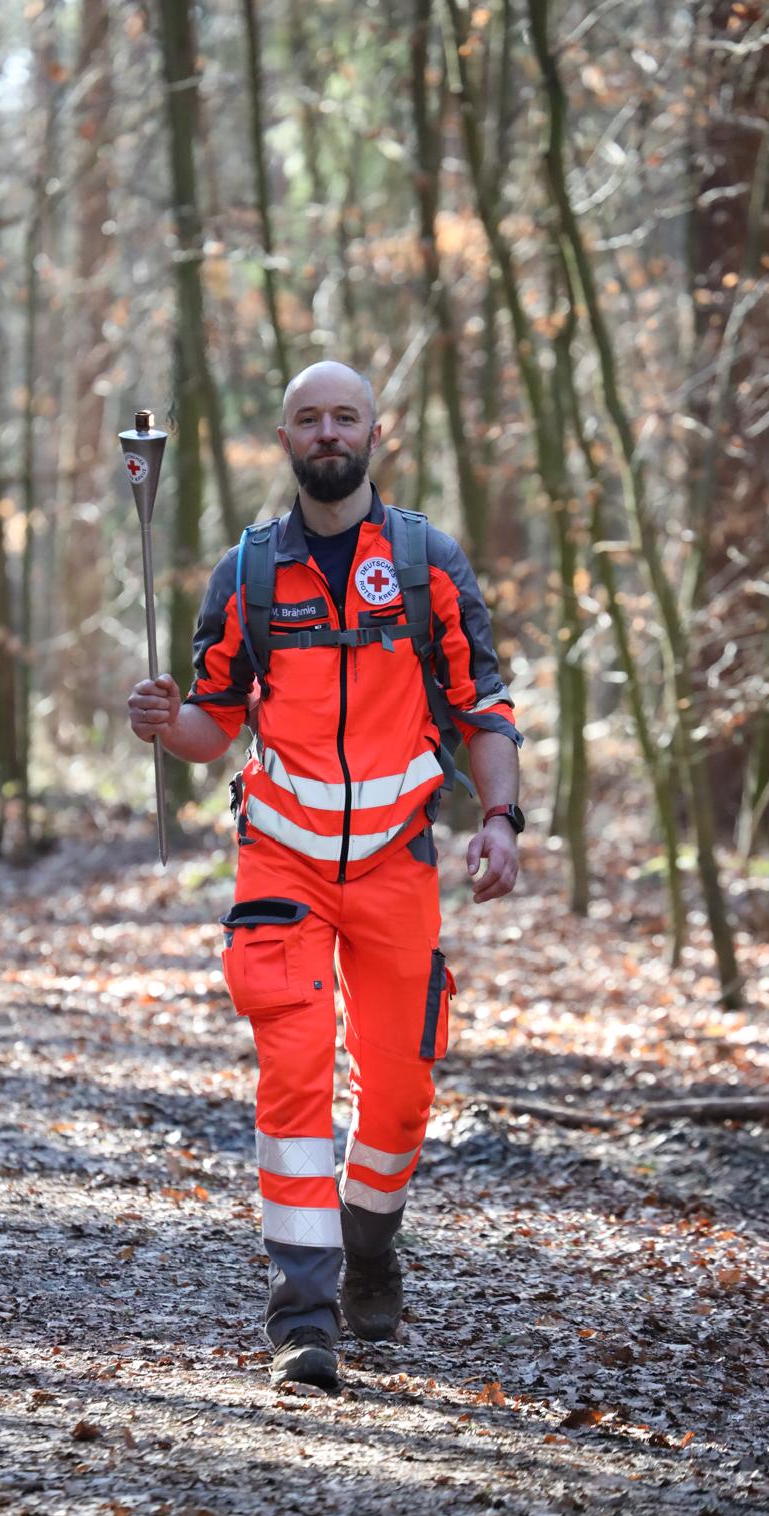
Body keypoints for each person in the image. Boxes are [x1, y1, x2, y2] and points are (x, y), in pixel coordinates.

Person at [128, 361, 523, 1390]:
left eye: (343, 414)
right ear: (285, 439)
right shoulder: (249, 573)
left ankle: (369, 1244)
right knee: (295, 1074)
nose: (327, 431)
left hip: (397, 861)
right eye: (308, 417)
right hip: (282, 860)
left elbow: (483, 703)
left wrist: (502, 819)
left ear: (375, 432)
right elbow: (215, 721)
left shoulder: (427, 562)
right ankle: (301, 1316)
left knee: (397, 1090)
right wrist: (170, 723)